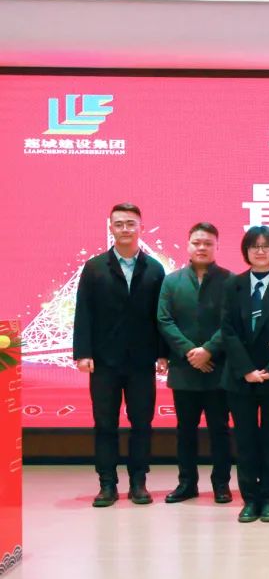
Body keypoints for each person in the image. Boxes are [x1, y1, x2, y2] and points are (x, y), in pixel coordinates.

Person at [74, 202, 167, 508]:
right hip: (104, 361)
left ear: (141, 228)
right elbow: (84, 312)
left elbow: (161, 316)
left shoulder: (155, 269)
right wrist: (83, 352)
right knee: (105, 424)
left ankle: (138, 482)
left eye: (131, 224)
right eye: (119, 224)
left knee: (142, 423)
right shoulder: (95, 267)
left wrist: (163, 353)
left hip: (142, 361)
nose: (125, 229)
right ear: (110, 228)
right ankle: (107, 484)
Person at [221, 226, 269, 523]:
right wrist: (247, 370)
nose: (261, 251)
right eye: (255, 246)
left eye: (266, 246)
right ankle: (249, 499)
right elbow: (228, 330)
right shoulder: (233, 284)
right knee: (245, 440)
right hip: (240, 377)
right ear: (246, 251)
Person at [156, 222, 233, 504]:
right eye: (197, 243)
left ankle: (221, 484)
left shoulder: (230, 281)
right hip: (184, 369)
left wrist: (208, 350)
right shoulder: (172, 281)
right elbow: (164, 319)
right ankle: (186, 483)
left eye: (208, 243)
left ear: (217, 247)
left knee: (220, 430)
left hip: (218, 369)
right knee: (185, 431)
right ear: (188, 245)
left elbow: (231, 322)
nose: (202, 247)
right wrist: (191, 352)